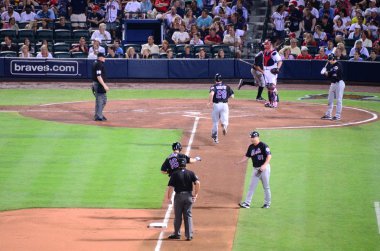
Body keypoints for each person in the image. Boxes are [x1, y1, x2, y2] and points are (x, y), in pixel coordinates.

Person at [166, 157, 200, 241]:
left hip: (178, 197)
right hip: (188, 196)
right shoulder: (191, 173)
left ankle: (177, 234)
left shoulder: (175, 174)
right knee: (188, 215)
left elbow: (171, 187)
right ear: (185, 164)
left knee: (178, 216)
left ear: (178, 164)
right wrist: (195, 194)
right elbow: (197, 183)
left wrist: (169, 198)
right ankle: (189, 235)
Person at [236, 131, 272, 209]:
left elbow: (269, 156)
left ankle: (267, 203)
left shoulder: (263, 145)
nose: (252, 139)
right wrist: (239, 162)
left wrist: (264, 165)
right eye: (251, 138)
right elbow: (247, 156)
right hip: (256, 169)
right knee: (251, 186)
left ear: (257, 137)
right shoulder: (251, 147)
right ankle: (247, 203)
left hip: (264, 169)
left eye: (253, 137)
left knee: (266, 187)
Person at [208, 73, 234, 144]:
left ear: (215, 79)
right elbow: (232, 96)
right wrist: (225, 97)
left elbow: (212, 94)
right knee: (225, 119)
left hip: (216, 105)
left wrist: (210, 102)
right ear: (221, 79)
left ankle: (215, 138)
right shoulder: (227, 86)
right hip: (225, 105)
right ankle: (224, 126)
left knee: (215, 122)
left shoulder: (214, 86)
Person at [320, 53, 345, 121]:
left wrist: (325, 72)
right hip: (333, 84)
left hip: (339, 83)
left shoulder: (338, 65)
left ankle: (337, 116)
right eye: (329, 60)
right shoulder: (332, 66)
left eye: (330, 60)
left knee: (339, 100)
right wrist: (325, 73)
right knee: (330, 99)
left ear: (333, 59)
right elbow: (329, 76)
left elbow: (333, 72)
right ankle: (328, 115)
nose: (329, 61)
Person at [262, 39, 282, 108]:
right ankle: (270, 102)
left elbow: (280, 61)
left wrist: (277, 68)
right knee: (268, 87)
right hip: (265, 70)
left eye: (266, 44)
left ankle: (275, 102)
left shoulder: (274, 53)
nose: (264, 45)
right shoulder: (265, 52)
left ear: (269, 44)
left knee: (272, 87)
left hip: (271, 71)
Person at [92, 52, 110, 121]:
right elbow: (98, 76)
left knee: (102, 100)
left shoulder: (96, 62)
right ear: (100, 57)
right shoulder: (99, 64)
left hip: (97, 84)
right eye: (103, 57)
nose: (105, 58)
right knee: (101, 100)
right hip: (99, 84)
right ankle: (99, 116)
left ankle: (98, 114)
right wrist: (104, 85)